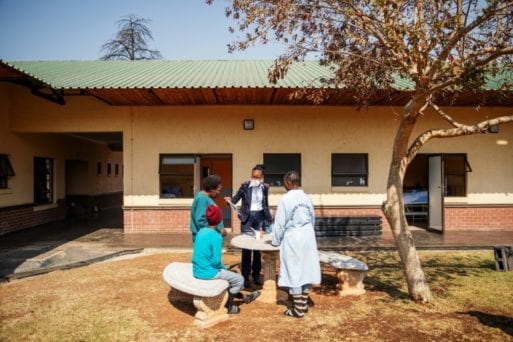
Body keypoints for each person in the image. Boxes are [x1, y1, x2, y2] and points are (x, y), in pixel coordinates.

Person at [192, 204, 260, 314]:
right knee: (239, 280)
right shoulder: (216, 236)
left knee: (229, 278)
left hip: (197, 270)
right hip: (208, 273)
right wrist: (224, 269)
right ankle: (228, 305)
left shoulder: (201, 232)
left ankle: (243, 296)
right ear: (220, 219)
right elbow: (216, 262)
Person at [271, 170, 321, 318]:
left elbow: (279, 223)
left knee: (294, 271)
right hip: (308, 237)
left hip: (293, 237)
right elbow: (313, 219)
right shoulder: (307, 198)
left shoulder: (286, 199)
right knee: (306, 270)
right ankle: (302, 304)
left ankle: (298, 309)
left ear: (288, 182)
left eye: (283, 183)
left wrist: (275, 241)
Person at [225, 164, 273, 290]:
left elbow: (265, 204)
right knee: (246, 249)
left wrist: (269, 219)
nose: (255, 178)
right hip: (247, 220)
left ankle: (256, 275)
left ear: (262, 177)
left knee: (257, 249)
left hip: (259, 220)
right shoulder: (245, 186)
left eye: (257, 177)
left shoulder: (265, 188)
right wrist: (229, 201)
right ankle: (245, 277)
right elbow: (234, 200)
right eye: (253, 176)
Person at [190, 175, 227, 243]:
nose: (219, 193)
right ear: (211, 189)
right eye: (218, 190)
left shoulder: (206, 197)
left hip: (207, 236)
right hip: (205, 239)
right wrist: (219, 229)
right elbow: (201, 221)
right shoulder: (202, 199)